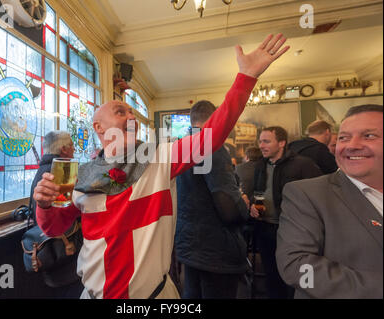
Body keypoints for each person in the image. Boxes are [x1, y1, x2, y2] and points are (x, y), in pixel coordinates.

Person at [33, 33, 290, 299]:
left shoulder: (160, 157)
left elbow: (210, 136)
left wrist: (245, 78)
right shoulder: (80, 175)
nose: (131, 116)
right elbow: (53, 227)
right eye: (121, 112)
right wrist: (43, 205)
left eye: (132, 112)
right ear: (98, 127)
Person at [276, 104, 383, 299]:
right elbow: (296, 267)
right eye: (344, 138)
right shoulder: (307, 194)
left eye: (368, 136)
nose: (352, 145)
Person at [174, 100, 250, 299]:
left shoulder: (181, 147)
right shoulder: (211, 146)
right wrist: (243, 205)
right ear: (215, 119)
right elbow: (229, 210)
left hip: (188, 243)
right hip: (215, 249)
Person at [250, 126, 322, 299]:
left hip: (292, 231)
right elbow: (258, 192)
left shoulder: (302, 164)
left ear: (281, 143)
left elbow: (319, 195)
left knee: (293, 275)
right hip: (265, 228)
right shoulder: (260, 165)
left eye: (266, 141)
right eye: (260, 141)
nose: (261, 145)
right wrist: (252, 206)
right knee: (271, 274)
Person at [28, 130, 83, 297]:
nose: (74, 150)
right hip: (64, 257)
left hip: (50, 256)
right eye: (72, 146)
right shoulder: (60, 174)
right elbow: (65, 215)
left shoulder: (42, 171)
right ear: (64, 149)